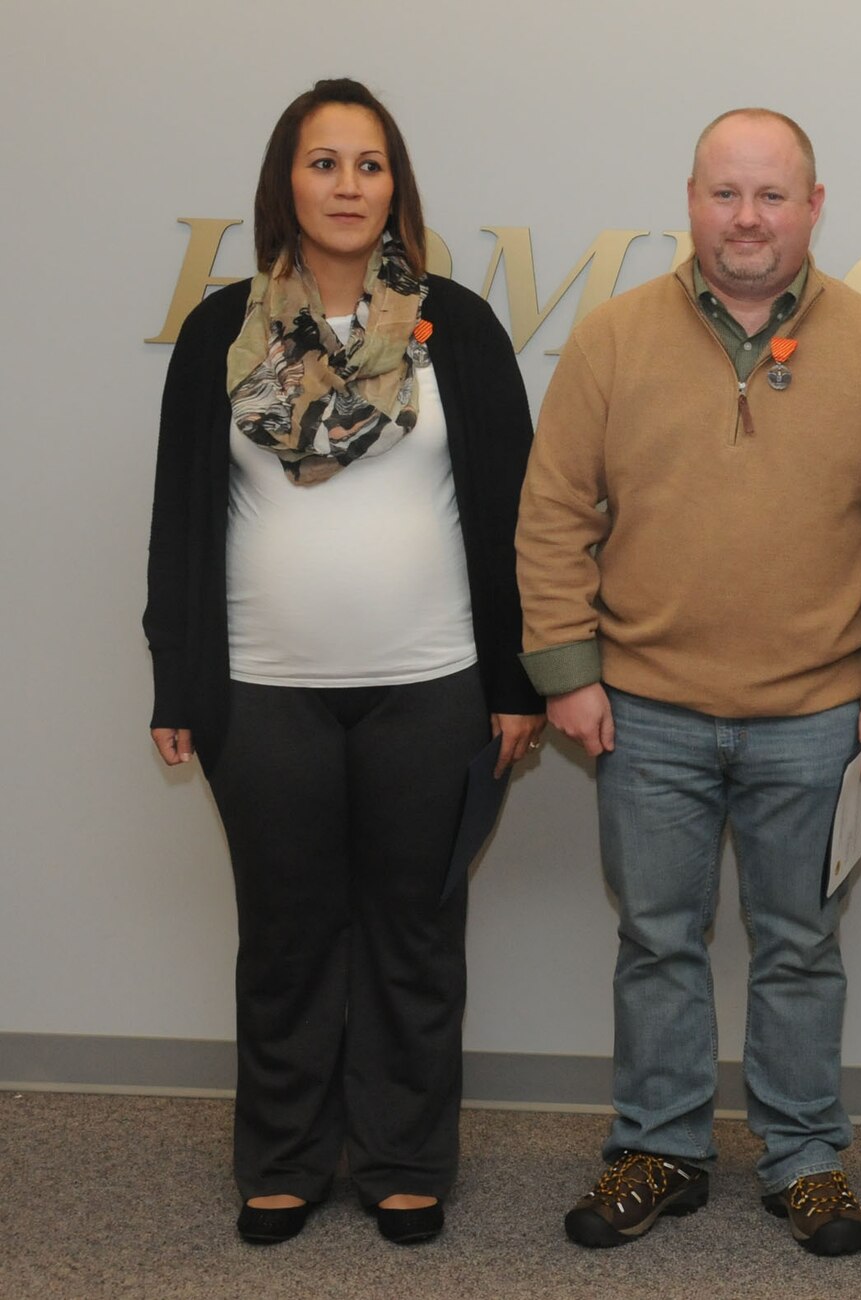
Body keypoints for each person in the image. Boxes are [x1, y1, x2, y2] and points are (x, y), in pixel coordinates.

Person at [517, 107, 861, 1257]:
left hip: (817, 719)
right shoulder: (613, 340)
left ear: (814, 208)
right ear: (690, 200)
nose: (748, 217)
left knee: (799, 946)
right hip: (644, 713)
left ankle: (805, 1158)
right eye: (726, 193)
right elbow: (553, 511)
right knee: (657, 940)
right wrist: (567, 669)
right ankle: (657, 1144)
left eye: (772, 195)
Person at [143, 79, 544, 1247]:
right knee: (284, 931)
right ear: (286, 184)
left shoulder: (454, 326)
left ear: (395, 187)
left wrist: (517, 682)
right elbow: (180, 512)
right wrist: (178, 677)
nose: (347, 186)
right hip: (262, 694)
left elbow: (514, 511)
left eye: (369, 165)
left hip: (433, 685)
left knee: (415, 934)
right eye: (324, 164)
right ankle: (282, 1157)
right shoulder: (224, 330)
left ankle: (406, 1157)